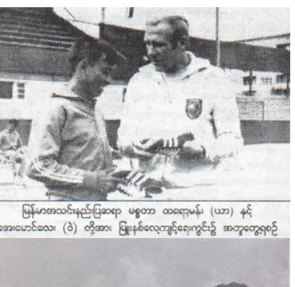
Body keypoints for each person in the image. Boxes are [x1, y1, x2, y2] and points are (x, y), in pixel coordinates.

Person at [118, 16, 243, 171]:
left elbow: (232, 139)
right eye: (147, 44)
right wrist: (130, 147)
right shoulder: (139, 80)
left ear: (182, 43)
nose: (150, 52)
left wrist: (203, 150)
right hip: (150, 186)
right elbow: (123, 136)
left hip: (194, 188)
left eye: (158, 45)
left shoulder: (214, 79)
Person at [23, 37, 123, 201]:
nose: (109, 80)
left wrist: (116, 173)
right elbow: (37, 166)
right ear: (83, 66)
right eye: (105, 71)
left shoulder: (95, 110)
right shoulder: (55, 107)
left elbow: (85, 156)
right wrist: (93, 180)